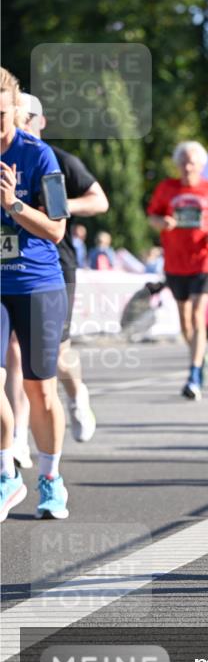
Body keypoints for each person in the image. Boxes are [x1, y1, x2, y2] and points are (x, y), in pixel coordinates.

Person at [9, 94, 109, 449]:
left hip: (55, 265)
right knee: (15, 352)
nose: (21, 121)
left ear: (41, 120)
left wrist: (57, 206)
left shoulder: (58, 161)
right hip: (11, 270)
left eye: (27, 115)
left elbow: (100, 200)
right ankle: (18, 438)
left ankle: (76, 392)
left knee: (58, 355)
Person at [1, 68, 69, 521]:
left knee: (39, 389)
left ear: (15, 109)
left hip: (36, 283)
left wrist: (13, 205)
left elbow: (58, 228)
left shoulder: (39, 155)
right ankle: (7, 467)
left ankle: (50, 478)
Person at [147, 141, 208, 399]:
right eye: (183, 161)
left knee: (196, 314)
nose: (187, 165)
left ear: (201, 164)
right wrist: (163, 222)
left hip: (203, 260)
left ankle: (193, 374)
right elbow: (152, 216)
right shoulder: (166, 188)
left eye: (192, 161)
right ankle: (199, 354)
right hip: (175, 262)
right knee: (184, 320)